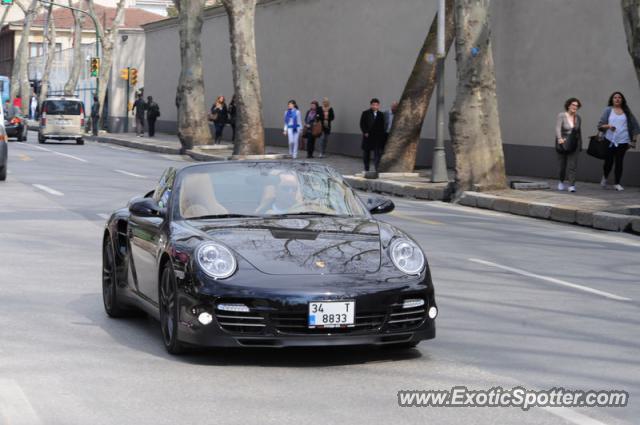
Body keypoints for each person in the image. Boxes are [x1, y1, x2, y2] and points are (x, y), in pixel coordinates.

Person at [597, 91, 640, 191]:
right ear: (612, 100)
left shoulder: (627, 112)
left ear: (622, 100)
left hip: (623, 141)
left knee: (619, 162)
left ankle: (617, 183)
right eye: (615, 97)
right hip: (609, 140)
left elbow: (636, 127)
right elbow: (600, 125)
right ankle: (605, 176)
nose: (617, 99)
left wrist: (633, 141)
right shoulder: (608, 110)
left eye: (619, 97)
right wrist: (608, 126)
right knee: (609, 161)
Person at [555, 98, 582, 192]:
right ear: (568, 105)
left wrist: (580, 145)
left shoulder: (578, 118)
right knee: (562, 166)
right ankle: (561, 182)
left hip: (574, 144)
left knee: (572, 166)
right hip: (562, 143)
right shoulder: (561, 115)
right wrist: (559, 138)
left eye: (577, 106)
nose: (575, 107)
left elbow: (578, 132)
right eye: (573, 105)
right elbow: (558, 128)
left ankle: (571, 185)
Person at [359, 98, 386, 172]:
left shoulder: (381, 114)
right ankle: (366, 168)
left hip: (377, 137)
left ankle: (377, 168)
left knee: (377, 154)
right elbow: (362, 124)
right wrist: (365, 132)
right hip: (368, 136)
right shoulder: (365, 113)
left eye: (376, 105)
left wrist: (381, 137)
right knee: (366, 154)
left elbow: (382, 126)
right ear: (371, 105)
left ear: (378, 106)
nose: (375, 106)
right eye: (373, 105)